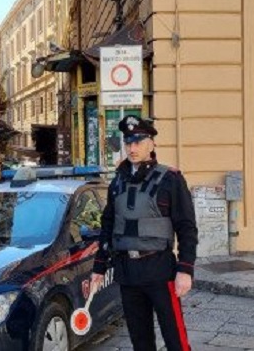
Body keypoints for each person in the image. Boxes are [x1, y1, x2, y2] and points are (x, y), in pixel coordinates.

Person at [90, 115, 198, 351]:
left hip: (160, 270)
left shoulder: (170, 179)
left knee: (175, 340)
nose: (132, 147)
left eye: (138, 141)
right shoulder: (117, 181)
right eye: (128, 142)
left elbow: (187, 226)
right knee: (140, 342)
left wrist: (185, 269)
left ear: (151, 143)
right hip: (128, 273)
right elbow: (108, 225)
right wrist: (99, 268)